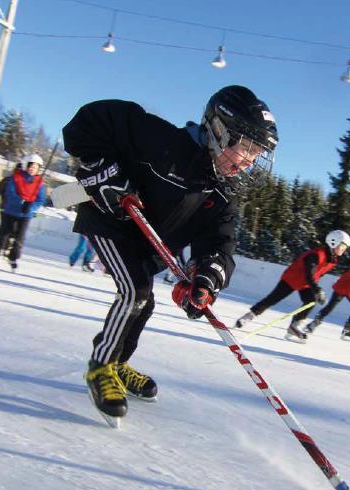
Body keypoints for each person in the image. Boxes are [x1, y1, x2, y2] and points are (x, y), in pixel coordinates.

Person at [59, 85, 278, 426]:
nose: (249, 161)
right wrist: (100, 171)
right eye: (246, 149)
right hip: (111, 223)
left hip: (146, 244)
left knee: (144, 302)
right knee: (135, 291)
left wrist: (208, 277)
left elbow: (220, 240)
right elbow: (92, 120)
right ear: (220, 131)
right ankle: (101, 366)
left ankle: (118, 362)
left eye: (256, 155)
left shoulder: (222, 190)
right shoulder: (162, 141)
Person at [234, 230, 350, 341]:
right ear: (333, 242)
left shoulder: (332, 260)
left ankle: (295, 326)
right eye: (343, 246)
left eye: (345, 247)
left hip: (306, 283)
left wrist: (315, 289)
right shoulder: (316, 255)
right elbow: (309, 274)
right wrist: (317, 289)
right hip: (292, 279)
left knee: (311, 301)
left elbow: (318, 275)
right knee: (273, 299)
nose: (344, 249)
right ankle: (247, 317)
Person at [0, 154, 46, 271]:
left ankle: (13, 257)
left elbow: (40, 199)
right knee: (2, 236)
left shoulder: (39, 183)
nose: (33, 169)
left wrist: (30, 207)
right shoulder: (15, 178)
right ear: (25, 165)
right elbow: (10, 194)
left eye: (36, 167)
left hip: (25, 215)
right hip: (10, 212)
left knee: (19, 238)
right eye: (31, 166)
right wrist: (22, 203)